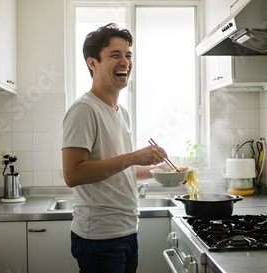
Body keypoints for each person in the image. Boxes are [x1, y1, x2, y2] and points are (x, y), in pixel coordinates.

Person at [61, 23, 169, 273]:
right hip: (99, 237)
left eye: (128, 55)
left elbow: (116, 172)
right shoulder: (84, 110)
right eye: (115, 55)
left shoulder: (122, 113)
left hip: (127, 230)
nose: (125, 62)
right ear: (92, 63)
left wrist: (159, 171)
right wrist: (133, 157)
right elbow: (73, 174)